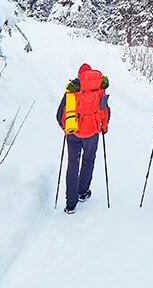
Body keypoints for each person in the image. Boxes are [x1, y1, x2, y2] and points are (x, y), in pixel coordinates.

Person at [56, 63, 110, 214]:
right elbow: (105, 110)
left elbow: (59, 115)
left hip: (73, 132)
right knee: (88, 160)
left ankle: (70, 204)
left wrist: (65, 128)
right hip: (92, 133)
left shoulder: (72, 90)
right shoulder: (99, 90)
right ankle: (83, 192)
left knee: (72, 165)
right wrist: (103, 128)